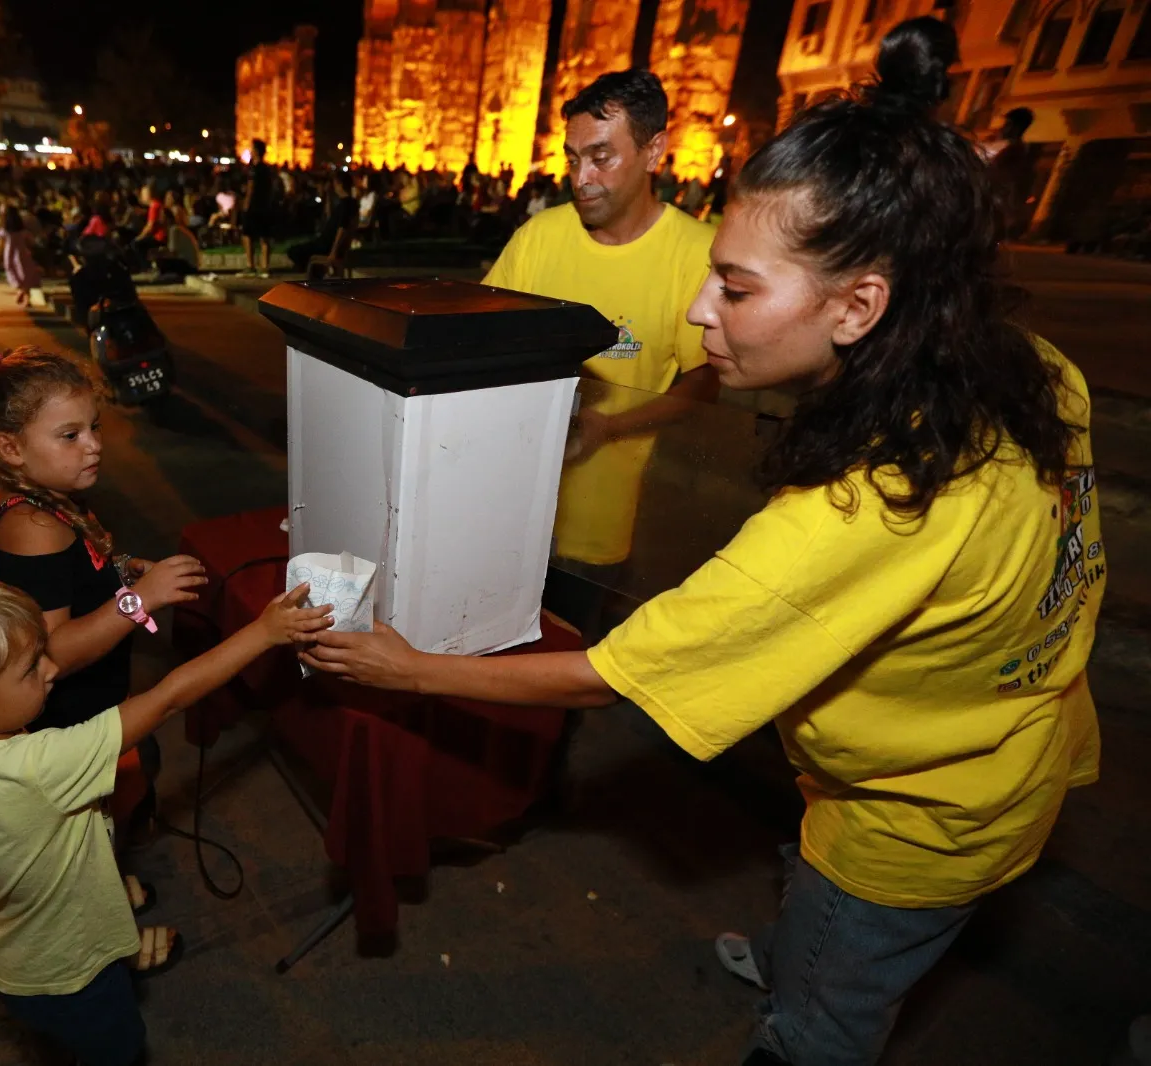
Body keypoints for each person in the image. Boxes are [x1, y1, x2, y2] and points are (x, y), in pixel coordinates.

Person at [303, 21, 1103, 1066]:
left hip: (911, 830)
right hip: (1012, 755)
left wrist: (410, 669)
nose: (696, 310)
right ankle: (792, 949)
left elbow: (614, 671)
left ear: (861, 305)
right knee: (818, 928)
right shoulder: (1036, 370)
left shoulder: (863, 513)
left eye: (734, 287)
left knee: (823, 1023)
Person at [0, 574, 329, 1064]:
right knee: (120, 1050)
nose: (50, 668)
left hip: (19, 954)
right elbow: (168, 697)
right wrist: (263, 632)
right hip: (72, 971)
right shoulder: (38, 766)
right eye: (29, 669)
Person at [0, 344, 209, 888]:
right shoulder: (33, 529)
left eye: (94, 427)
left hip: (98, 695)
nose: (93, 446)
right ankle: (108, 912)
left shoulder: (54, 501)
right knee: (100, 813)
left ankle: (114, 877)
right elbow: (53, 653)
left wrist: (121, 568)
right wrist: (143, 598)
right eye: (70, 436)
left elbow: (75, 570)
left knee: (129, 784)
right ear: (10, 448)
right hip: (70, 711)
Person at [483, 70, 719, 632]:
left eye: (601, 157)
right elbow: (484, 334)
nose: (581, 178)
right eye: (572, 158)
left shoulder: (696, 253)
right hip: (506, 502)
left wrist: (610, 427)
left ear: (654, 149)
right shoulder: (539, 236)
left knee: (560, 657)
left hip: (598, 519)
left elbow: (704, 380)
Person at [982, 107, 1037, 239]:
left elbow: (1001, 177)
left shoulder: (1014, 151)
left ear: (1015, 127)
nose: (1002, 128)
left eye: (1006, 124)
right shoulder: (1015, 149)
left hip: (997, 204)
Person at [288, 170, 358, 274]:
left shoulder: (346, 205)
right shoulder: (349, 203)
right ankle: (316, 273)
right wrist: (328, 195)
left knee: (294, 251)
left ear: (339, 184)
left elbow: (342, 229)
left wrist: (333, 252)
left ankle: (313, 276)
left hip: (326, 245)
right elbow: (328, 216)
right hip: (324, 242)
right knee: (299, 251)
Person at [241, 139, 277, 277]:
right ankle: (265, 267)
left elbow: (251, 187)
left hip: (254, 206)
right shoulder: (267, 169)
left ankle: (251, 266)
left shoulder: (254, 170)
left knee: (248, 235)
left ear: (256, 151)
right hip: (265, 205)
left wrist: (246, 204)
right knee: (264, 237)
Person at [0, 205, 42, 306]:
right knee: (24, 273)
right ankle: (25, 293)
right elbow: (31, 242)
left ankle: (21, 291)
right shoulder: (23, 232)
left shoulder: (5, 231)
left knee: (13, 271)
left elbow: (1, 244)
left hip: (9, 254)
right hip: (22, 253)